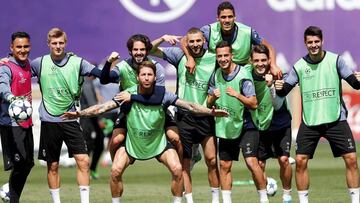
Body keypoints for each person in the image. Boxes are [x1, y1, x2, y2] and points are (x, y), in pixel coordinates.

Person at [62, 61, 228, 203]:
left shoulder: (164, 96)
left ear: (155, 77)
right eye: (143, 74)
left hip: (159, 144)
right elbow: (102, 107)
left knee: (178, 170)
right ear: (138, 77)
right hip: (133, 144)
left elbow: (190, 105)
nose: (147, 77)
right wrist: (80, 113)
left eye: (150, 74)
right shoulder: (127, 94)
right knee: (115, 171)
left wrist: (210, 112)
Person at [275, 26, 360, 203]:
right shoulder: (299, 66)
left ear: (322, 41)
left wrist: (358, 80)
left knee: (351, 159)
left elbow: (354, 83)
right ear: (305, 43)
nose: (314, 45)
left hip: (336, 118)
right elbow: (284, 91)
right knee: (300, 161)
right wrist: (278, 86)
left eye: (316, 41)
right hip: (310, 121)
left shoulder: (336, 60)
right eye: (310, 42)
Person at [30, 27, 102, 203]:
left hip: (71, 119)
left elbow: (101, 75)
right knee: (52, 165)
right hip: (49, 121)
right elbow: (20, 73)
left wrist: (110, 68)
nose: (58, 46)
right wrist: (7, 62)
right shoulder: (39, 63)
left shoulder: (76, 62)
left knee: (83, 161)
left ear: (66, 43)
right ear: (48, 44)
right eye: (54, 43)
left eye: (61, 42)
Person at [150, 28, 220, 203]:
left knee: (212, 160)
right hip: (184, 116)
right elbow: (149, 49)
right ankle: (189, 201)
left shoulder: (213, 58)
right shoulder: (178, 55)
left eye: (198, 41)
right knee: (185, 165)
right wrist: (163, 37)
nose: (195, 44)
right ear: (187, 43)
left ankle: (216, 199)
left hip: (205, 115)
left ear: (204, 40)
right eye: (191, 41)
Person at [101, 34, 182, 163]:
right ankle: (114, 163)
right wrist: (109, 62)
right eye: (135, 50)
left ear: (147, 50)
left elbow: (158, 98)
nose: (139, 53)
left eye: (142, 50)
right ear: (130, 51)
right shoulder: (123, 66)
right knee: (116, 140)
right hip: (130, 111)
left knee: (175, 138)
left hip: (156, 109)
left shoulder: (156, 68)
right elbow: (104, 79)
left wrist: (131, 97)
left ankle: (181, 167)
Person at [207, 41, 269, 203]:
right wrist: (213, 97)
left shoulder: (243, 76)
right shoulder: (215, 75)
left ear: (231, 55)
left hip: (246, 125)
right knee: (225, 166)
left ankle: (264, 199)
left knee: (251, 162)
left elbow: (254, 104)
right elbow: (208, 102)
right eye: (219, 56)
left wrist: (237, 95)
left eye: (225, 55)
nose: (222, 59)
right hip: (227, 127)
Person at [182, 1, 281, 77]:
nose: (227, 20)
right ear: (218, 19)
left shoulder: (247, 32)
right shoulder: (209, 30)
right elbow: (184, 40)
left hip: (243, 72)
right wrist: (190, 58)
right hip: (218, 71)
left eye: (230, 17)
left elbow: (269, 47)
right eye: (223, 17)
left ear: (235, 17)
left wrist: (273, 65)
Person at [248, 44, 293, 203]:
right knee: (258, 164)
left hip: (281, 125)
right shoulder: (246, 75)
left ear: (269, 60)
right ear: (251, 61)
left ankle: (287, 196)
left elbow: (277, 104)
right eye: (256, 60)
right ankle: (266, 187)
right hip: (260, 126)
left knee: (284, 160)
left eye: (263, 60)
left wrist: (271, 85)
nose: (260, 63)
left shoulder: (279, 75)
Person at [0, 32, 34, 203]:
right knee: (20, 164)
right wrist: (12, 98)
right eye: (18, 47)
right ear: (11, 48)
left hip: (26, 122)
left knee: (28, 164)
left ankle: (11, 195)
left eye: (25, 46)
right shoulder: (5, 67)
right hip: (10, 124)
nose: (22, 50)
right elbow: (2, 86)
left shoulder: (28, 64)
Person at [79, 75, 105, 179]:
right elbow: (91, 105)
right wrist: (99, 119)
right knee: (92, 145)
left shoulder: (87, 83)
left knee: (94, 145)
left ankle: (90, 170)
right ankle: (88, 170)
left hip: (89, 119)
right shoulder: (87, 84)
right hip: (89, 120)